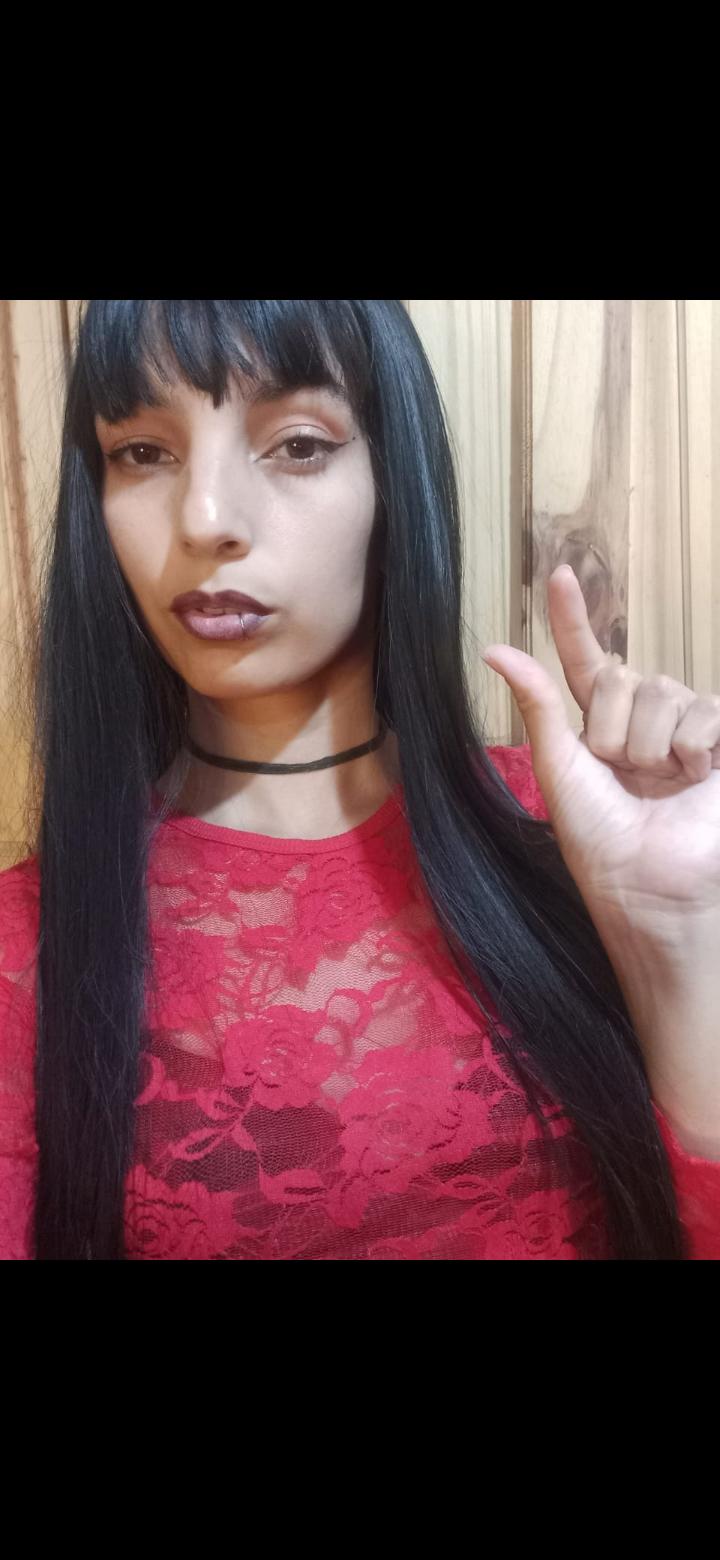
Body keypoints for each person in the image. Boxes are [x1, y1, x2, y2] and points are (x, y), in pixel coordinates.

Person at [1, 299, 718, 1260]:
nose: (205, 519)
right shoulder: (29, 949)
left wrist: (680, 937)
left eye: (297, 445)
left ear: (393, 475)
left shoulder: (590, 831)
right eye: (141, 452)